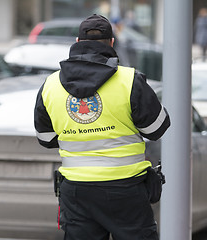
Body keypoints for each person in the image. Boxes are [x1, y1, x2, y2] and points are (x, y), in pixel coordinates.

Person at [34, 14, 170, 240]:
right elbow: (157, 128)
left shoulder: (50, 85)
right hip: (126, 189)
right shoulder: (129, 80)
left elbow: (46, 138)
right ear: (112, 43)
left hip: (77, 192)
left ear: (77, 43)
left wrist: (78, 130)